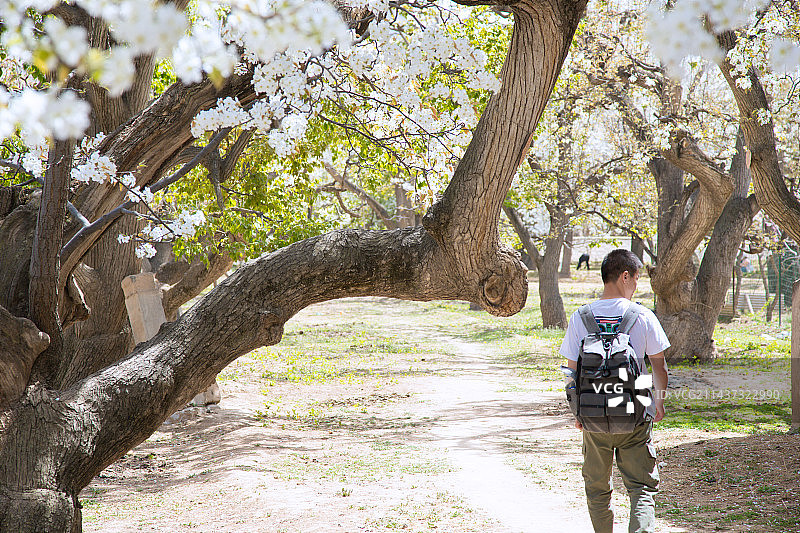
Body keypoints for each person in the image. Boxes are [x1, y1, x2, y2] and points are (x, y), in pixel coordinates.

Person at [559, 249, 670, 533]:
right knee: (641, 488)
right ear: (624, 276)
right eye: (636, 279)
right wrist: (657, 404)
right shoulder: (642, 315)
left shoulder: (580, 317)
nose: (636, 286)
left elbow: (571, 372)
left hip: (593, 415)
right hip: (636, 411)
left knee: (597, 489)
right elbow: (659, 369)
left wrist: (578, 412)